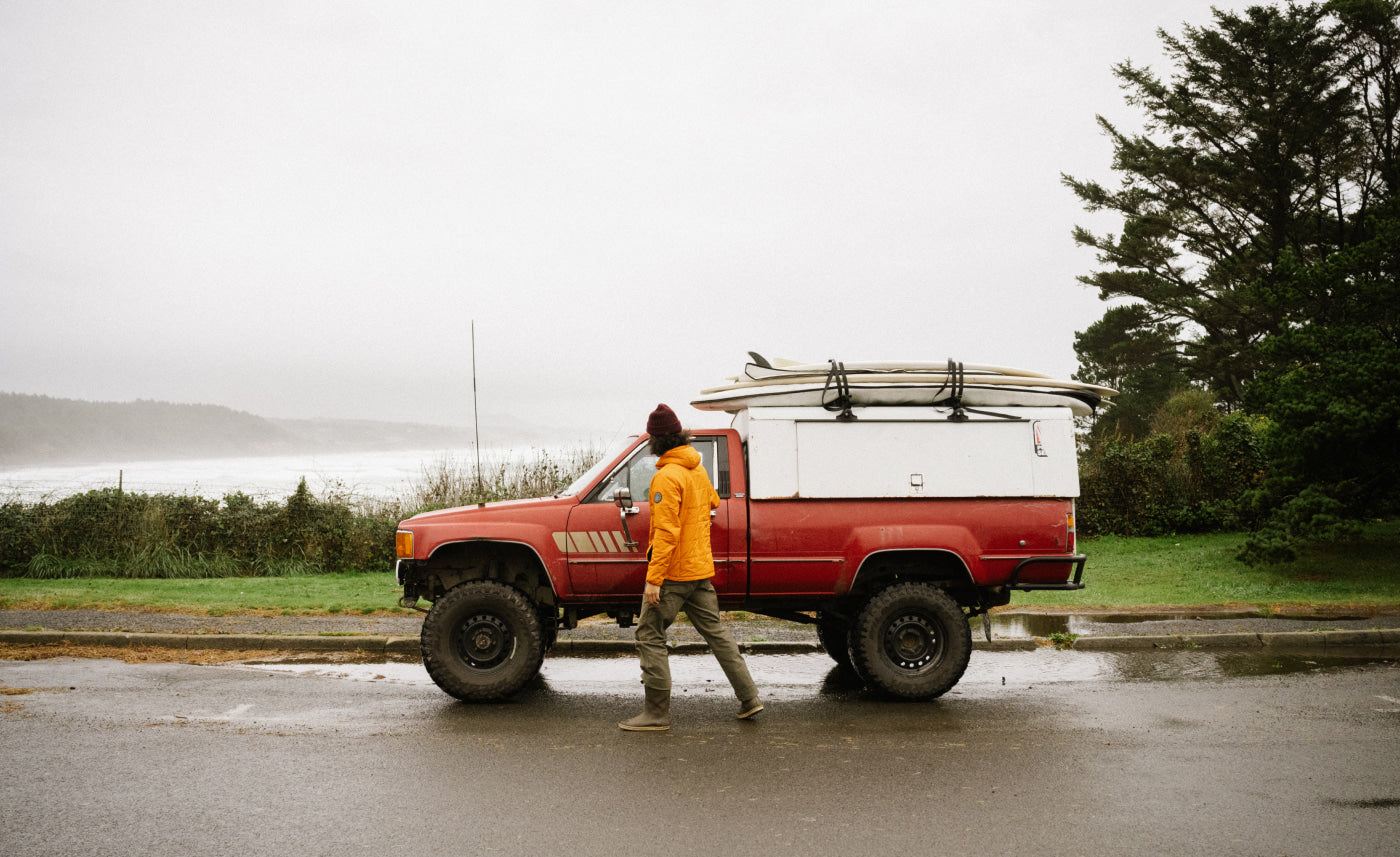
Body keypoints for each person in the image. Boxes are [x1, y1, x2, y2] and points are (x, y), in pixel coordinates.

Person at [618, 404, 764, 732]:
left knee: (648, 633)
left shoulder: (666, 477)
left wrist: (654, 580)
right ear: (679, 435)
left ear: (656, 441)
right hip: (700, 569)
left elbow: (667, 533)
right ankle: (749, 697)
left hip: (673, 574)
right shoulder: (695, 469)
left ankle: (656, 713)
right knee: (717, 634)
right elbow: (712, 501)